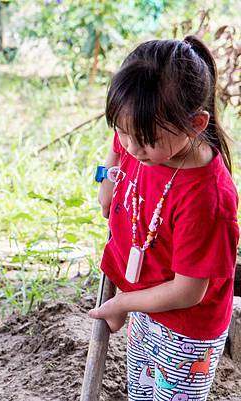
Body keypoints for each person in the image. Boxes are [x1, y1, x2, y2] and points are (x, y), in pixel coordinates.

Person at [89, 36, 238, 401]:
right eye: (124, 132)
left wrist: (124, 303)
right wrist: (106, 177)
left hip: (186, 331)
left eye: (143, 138)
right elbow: (119, 141)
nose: (131, 147)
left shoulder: (207, 200)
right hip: (145, 300)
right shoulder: (143, 136)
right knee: (140, 392)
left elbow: (188, 290)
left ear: (195, 123)